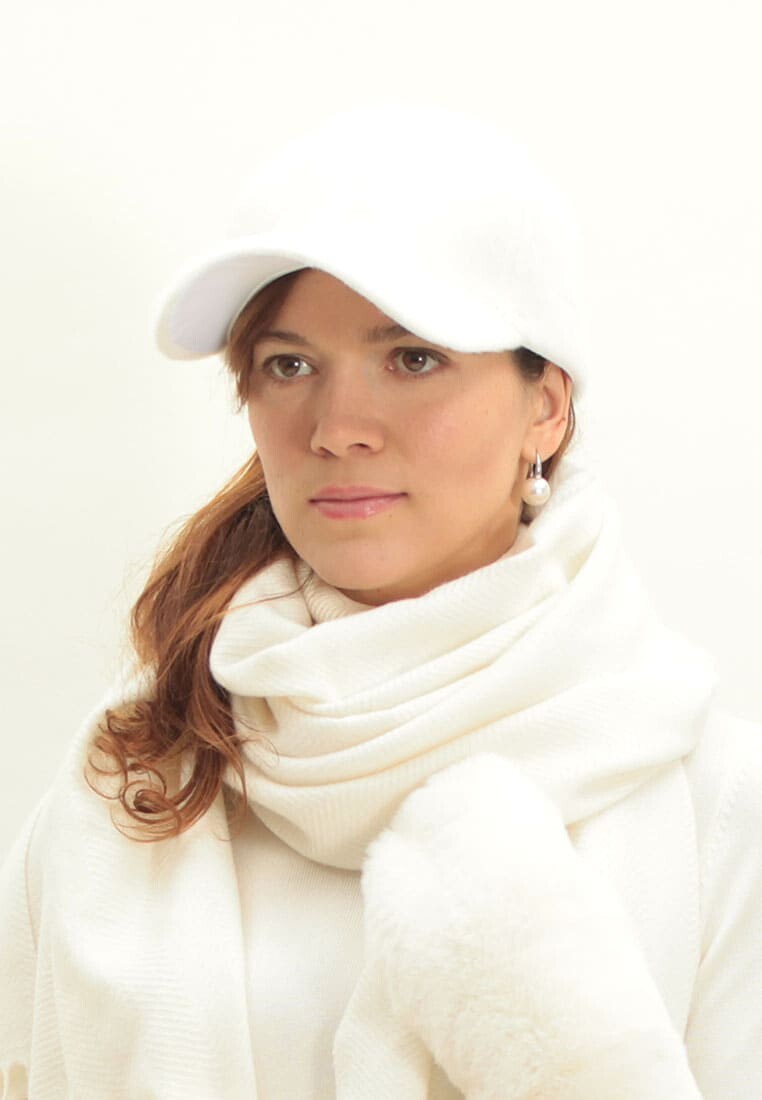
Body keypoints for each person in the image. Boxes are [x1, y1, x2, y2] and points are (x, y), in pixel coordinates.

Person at [1, 103, 760, 1100]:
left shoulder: (709, 796)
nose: (337, 426)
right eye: (289, 365)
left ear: (546, 406)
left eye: (413, 358)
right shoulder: (136, 776)